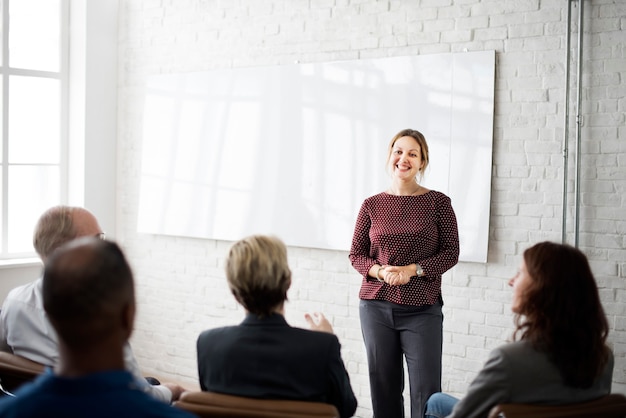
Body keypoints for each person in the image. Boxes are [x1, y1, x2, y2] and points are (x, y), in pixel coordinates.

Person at [0, 205, 186, 403]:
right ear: (63, 254)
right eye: (97, 239)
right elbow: (140, 397)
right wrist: (172, 390)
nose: (105, 248)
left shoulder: (14, 302)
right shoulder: (102, 317)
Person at [424, 241, 614, 418]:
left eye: (521, 273)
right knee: (438, 401)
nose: (511, 281)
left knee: (435, 403)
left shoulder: (509, 360)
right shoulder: (603, 357)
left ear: (543, 288)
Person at [349, 128, 460, 418]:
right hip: (375, 307)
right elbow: (356, 254)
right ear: (390, 156)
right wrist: (379, 272)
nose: (404, 158)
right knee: (383, 390)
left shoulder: (438, 203)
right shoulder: (371, 205)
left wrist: (414, 270)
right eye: (399, 151)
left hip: (422, 310)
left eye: (413, 153)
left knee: (426, 394)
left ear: (422, 162)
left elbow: (451, 253)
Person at [196, 234, 358, 418]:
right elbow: (346, 409)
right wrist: (328, 339)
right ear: (288, 281)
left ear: (234, 292)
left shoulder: (208, 344)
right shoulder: (322, 347)